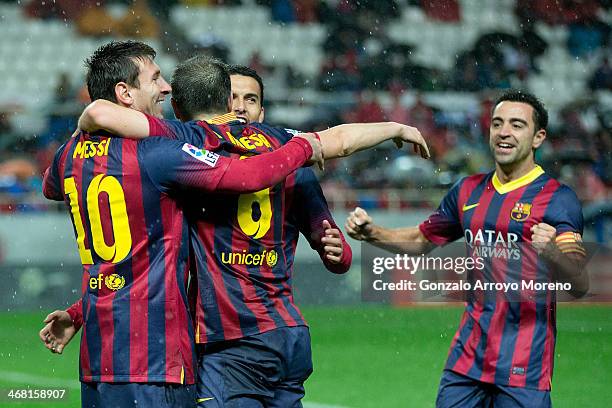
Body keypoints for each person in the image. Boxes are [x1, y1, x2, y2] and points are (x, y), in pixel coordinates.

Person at [69, 55, 431, 407]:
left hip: (229, 338)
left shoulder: (187, 139)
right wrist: (394, 128)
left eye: (252, 98)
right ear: (228, 101)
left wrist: (85, 122)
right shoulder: (285, 144)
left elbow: (102, 115)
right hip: (287, 334)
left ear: (178, 107)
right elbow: (338, 143)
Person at [39, 40, 324, 408]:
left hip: (98, 359)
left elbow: (51, 184)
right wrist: (303, 145)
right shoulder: (161, 155)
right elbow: (250, 174)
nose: (166, 87)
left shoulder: (68, 158)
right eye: (155, 79)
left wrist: (85, 128)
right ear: (124, 93)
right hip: (156, 360)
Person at [346, 90, 588, 407]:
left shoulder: (558, 199)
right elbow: (421, 241)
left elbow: (580, 283)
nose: (504, 132)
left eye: (517, 125)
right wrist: (372, 234)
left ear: (538, 137)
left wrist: (553, 252)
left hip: (523, 367)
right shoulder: (467, 191)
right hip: (467, 362)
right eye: (497, 123)